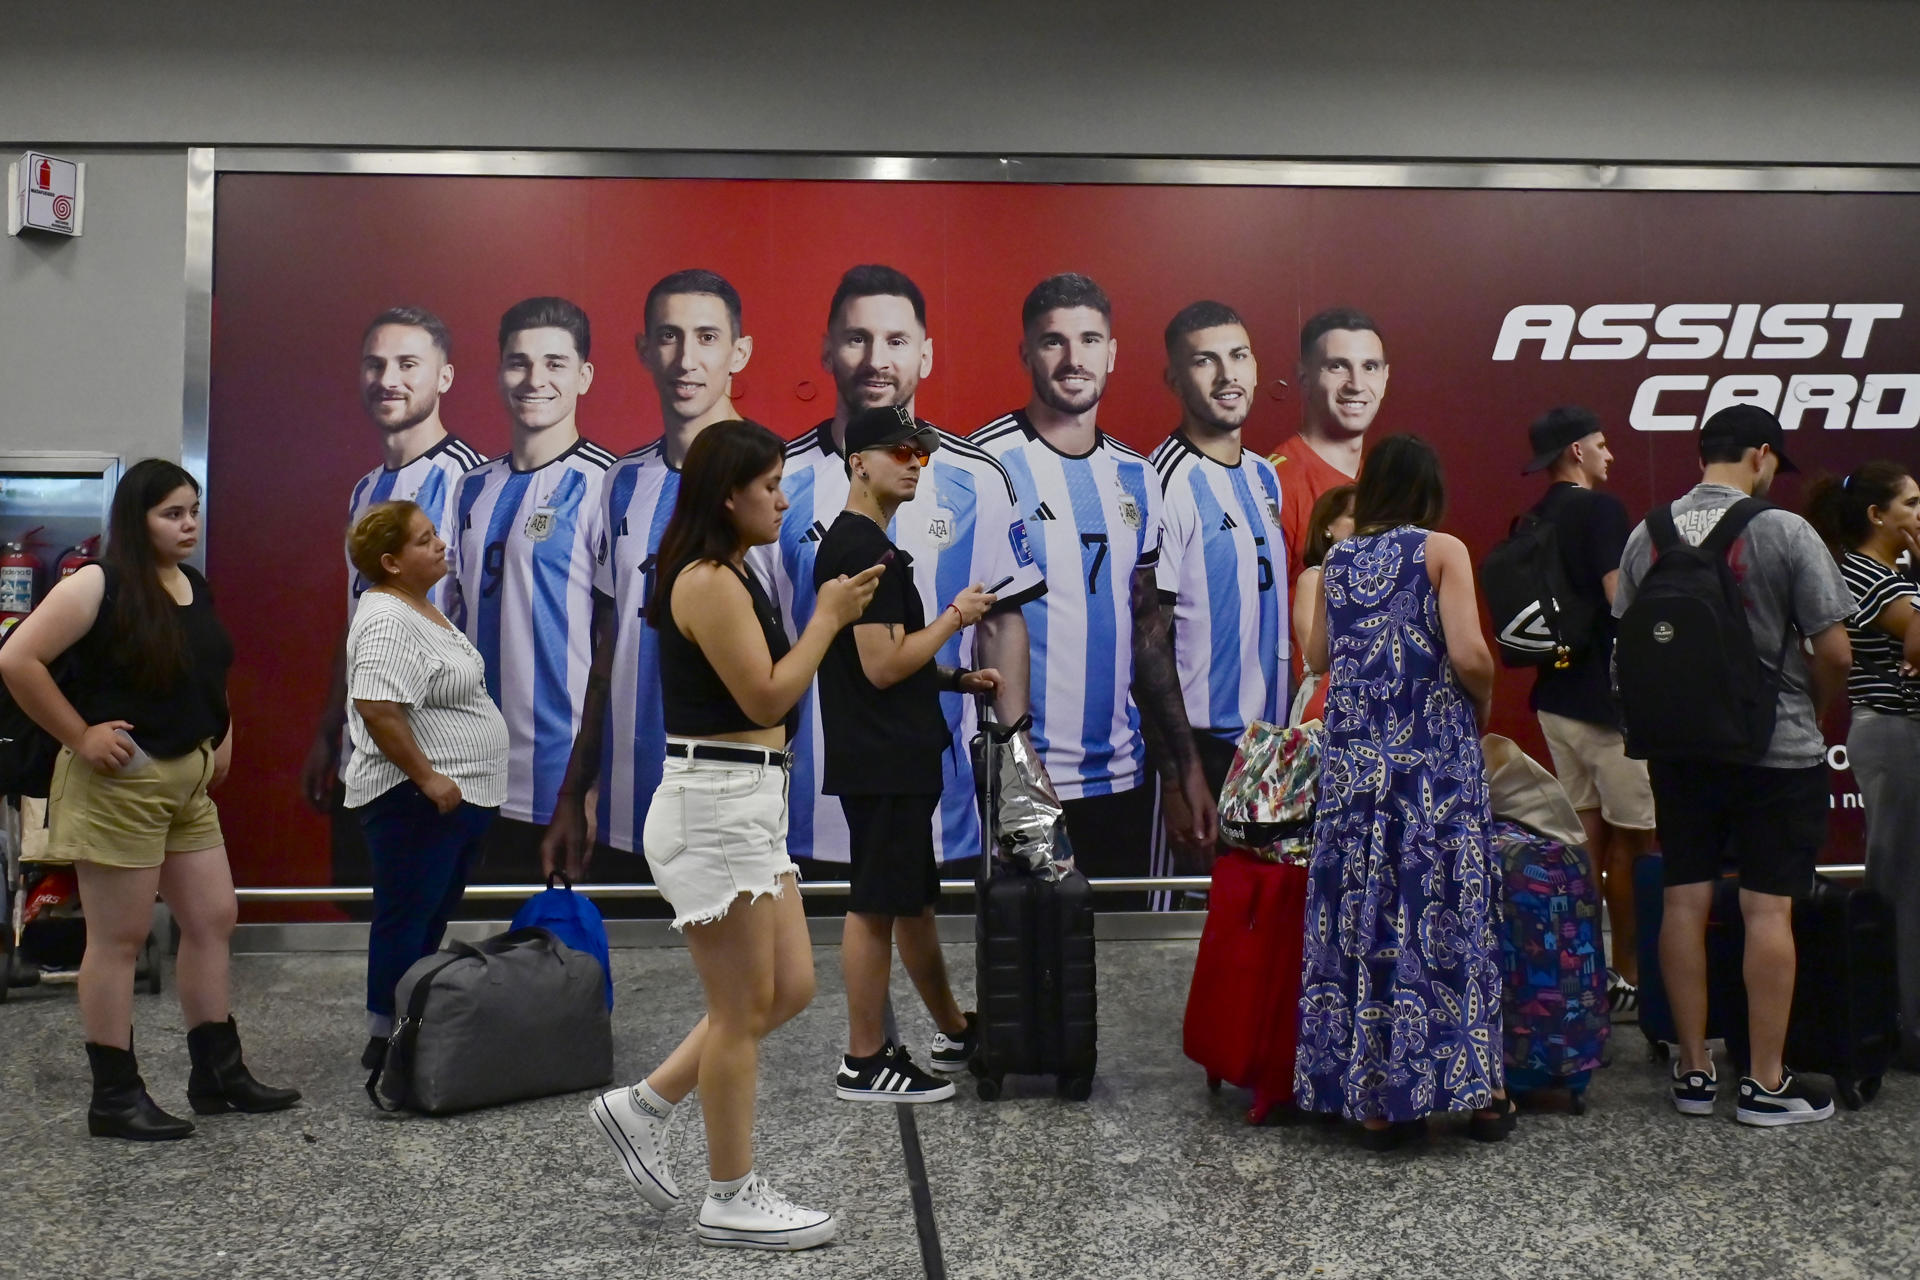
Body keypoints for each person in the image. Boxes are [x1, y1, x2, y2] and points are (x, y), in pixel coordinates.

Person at [586, 421, 882, 1251]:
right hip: (714, 805)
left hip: (747, 803)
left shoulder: (734, 571)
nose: (784, 500)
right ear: (729, 495)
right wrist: (827, 618)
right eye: (770, 486)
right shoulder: (708, 580)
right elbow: (765, 699)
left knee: (787, 991)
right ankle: (731, 1195)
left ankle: (643, 1105)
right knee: (741, 1009)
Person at [0, 459, 299, 1140]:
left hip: (185, 779)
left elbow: (208, 667)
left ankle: (216, 1071)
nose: (188, 523)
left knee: (212, 916)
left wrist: (223, 734)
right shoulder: (97, 586)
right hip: (119, 783)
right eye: (172, 513)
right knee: (119, 939)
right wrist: (79, 734)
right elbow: (17, 661)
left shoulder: (191, 584)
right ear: (136, 519)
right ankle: (114, 1096)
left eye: (193, 510)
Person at [751, 264, 1043, 881]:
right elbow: (761, 637)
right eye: (857, 338)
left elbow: (1002, 627)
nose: (875, 358)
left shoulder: (979, 478)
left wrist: (1016, 773)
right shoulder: (779, 479)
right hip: (801, 804)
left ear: (927, 356)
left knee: (916, 933)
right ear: (828, 351)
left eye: (896, 341)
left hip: (942, 801)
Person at [1614, 404, 1852, 1126]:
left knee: (1684, 898)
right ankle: (1766, 1084)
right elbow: (1835, 650)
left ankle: (1692, 1070)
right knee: (1765, 905)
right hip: (1773, 749)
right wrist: (1811, 713)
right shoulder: (1784, 530)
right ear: (1760, 457)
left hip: (1679, 750)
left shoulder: (1644, 536)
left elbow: (1627, 651)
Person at [1292, 434, 1510, 1149]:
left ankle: (1375, 1100)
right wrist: (1482, 697)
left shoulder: (1339, 560)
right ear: (1427, 489)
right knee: (1445, 910)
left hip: (1356, 771)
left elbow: (1319, 656)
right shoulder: (1441, 549)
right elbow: (1472, 652)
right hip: (1430, 767)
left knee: (1364, 920)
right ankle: (1477, 1093)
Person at [972, 273, 1215, 911]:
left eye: (1089, 340)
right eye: (1054, 342)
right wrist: (1005, 772)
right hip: (1018, 785)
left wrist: (1183, 766)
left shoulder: (1138, 476)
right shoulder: (980, 468)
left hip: (1122, 782)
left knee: (1115, 979)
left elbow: (1148, 635)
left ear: (1112, 352)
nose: (1074, 359)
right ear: (1026, 353)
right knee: (1022, 978)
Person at [542, 270, 756, 887]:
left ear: (739, 352)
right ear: (643, 349)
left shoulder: (782, 479)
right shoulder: (623, 481)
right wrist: (576, 788)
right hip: (628, 809)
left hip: (739, 811)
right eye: (668, 336)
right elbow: (609, 649)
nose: (686, 359)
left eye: (707, 337)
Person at [817, 405, 1004, 1100]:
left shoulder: (871, 545)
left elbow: (890, 657)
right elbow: (883, 666)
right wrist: (957, 618)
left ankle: (954, 1029)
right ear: (857, 461)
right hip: (882, 756)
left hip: (895, 752)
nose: (915, 463)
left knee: (912, 901)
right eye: (899, 451)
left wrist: (956, 677)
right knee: (874, 904)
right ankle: (863, 1059)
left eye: (921, 452)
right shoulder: (861, 548)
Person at [298, 308, 487, 897]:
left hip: (436, 758)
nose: (389, 379)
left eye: (409, 364)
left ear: (445, 377)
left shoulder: (471, 483)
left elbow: (478, 629)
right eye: (375, 364)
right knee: (378, 918)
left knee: (431, 926)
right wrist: (331, 730)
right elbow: (360, 622)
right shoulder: (366, 489)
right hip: (367, 750)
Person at [447, 297, 615, 878]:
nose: (534, 379)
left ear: (584, 376)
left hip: (560, 780)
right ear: (499, 372)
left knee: (553, 957)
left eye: (555, 364)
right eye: (518, 363)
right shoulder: (470, 487)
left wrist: (591, 789)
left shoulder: (608, 485)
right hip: (467, 772)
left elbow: (618, 648)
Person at [341, 500, 508, 1072]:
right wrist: (428, 777)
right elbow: (377, 707)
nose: (440, 544)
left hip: (451, 799)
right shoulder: (388, 617)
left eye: (435, 534)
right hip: (413, 800)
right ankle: (387, 1038)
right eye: (423, 540)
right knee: (406, 917)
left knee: (427, 917)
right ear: (390, 561)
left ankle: (410, 1026)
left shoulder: (420, 608)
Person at [1516, 406, 1655, 1006]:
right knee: (1636, 844)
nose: (1610, 455)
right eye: (1601, 445)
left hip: (1555, 697)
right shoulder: (1602, 511)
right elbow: (1618, 599)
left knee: (1584, 848)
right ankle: (1630, 974)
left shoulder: (1530, 518)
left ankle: (1581, 975)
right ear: (1576, 451)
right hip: (1608, 703)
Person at [1148, 301, 1287, 878]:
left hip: (1269, 749)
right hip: (1201, 752)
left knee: (1257, 927)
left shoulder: (1264, 474)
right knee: (1181, 938)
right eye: (1205, 361)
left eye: (1239, 356)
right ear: (1174, 378)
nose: (1228, 375)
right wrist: (1182, 777)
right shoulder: (1162, 480)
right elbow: (1146, 647)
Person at [1804, 460, 1920, 1071]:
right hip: (1897, 733)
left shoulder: (1890, 576)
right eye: (1912, 505)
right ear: (1878, 516)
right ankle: (1903, 1026)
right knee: (1902, 883)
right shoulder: (1870, 576)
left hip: (1902, 729)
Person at [1270, 308, 1388, 588]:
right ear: (1304, 378)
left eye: (1369, 367)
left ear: (1385, 378)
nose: (1356, 385)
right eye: (1337, 366)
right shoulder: (1276, 482)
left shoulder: (1382, 480)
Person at [1288, 483, 1354, 726]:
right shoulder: (1313, 578)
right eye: (1352, 516)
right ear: (1328, 526)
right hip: (1320, 700)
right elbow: (1316, 658)